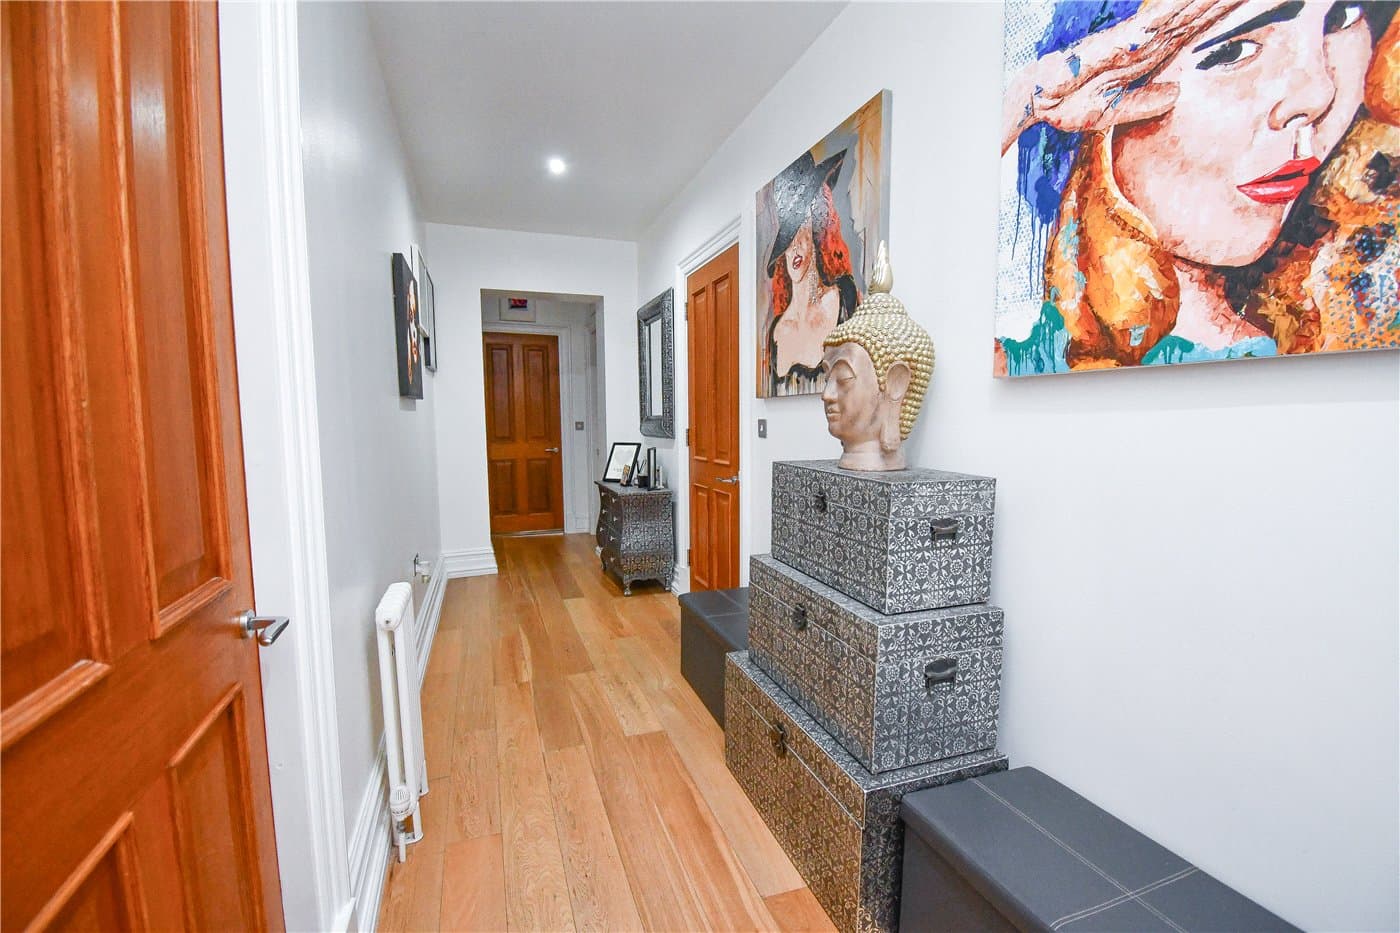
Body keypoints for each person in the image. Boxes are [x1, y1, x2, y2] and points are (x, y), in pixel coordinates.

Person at [996, 0, 1399, 374]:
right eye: (1232, 51)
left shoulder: (1358, 299)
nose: (1319, 93)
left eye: (1341, 18)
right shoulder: (1035, 353)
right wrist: (1028, 98)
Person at [763, 150, 861, 395]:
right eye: (788, 238)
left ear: (817, 229)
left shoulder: (845, 298)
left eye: (802, 229)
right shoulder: (777, 332)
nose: (794, 246)